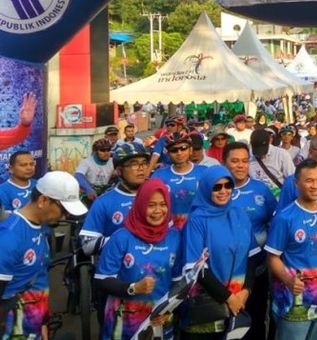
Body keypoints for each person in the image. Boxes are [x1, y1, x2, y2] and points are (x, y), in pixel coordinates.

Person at [266, 159, 317, 340]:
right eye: (309, 181)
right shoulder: (284, 218)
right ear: (297, 183)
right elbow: (272, 257)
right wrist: (288, 280)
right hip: (292, 308)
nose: (316, 186)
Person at [0, 171, 87, 339]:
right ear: (43, 200)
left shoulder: (40, 229)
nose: (65, 216)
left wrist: (43, 323)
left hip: (34, 323)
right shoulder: (9, 238)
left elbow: (38, 278)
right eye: (63, 209)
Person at [181, 166, 262, 339]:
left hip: (240, 301)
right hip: (209, 307)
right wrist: (228, 298)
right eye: (216, 187)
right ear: (205, 189)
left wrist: (246, 290)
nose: (223, 191)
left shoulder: (239, 214)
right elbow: (195, 267)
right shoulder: (197, 221)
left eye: (228, 186)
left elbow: (253, 255)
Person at [94, 179, 181, 340]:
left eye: (163, 204)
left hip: (159, 321)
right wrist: (134, 288)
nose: (158, 210)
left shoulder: (174, 237)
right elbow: (102, 280)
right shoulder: (121, 237)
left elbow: (179, 282)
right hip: (124, 324)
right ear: (140, 205)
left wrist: (168, 310)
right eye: (151, 205)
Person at [224, 141, 278, 340]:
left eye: (245, 161)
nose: (240, 165)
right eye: (235, 161)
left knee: (255, 320)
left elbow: (276, 222)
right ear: (224, 163)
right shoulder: (218, 190)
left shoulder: (261, 189)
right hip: (225, 277)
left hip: (258, 271)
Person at [80, 142, 151, 256]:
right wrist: (126, 238)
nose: (141, 168)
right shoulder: (103, 202)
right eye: (134, 164)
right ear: (118, 170)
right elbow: (88, 246)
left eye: (144, 163)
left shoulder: (158, 196)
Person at [151, 131, 205, 230]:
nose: (179, 153)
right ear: (168, 153)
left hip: (198, 228)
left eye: (183, 148)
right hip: (168, 230)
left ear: (190, 150)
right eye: (174, 150)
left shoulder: (205, 172)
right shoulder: (158, 175)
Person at [249, 129, 295, 199]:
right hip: (257, 199)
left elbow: (291, 178)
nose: (260, 155)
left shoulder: (282, 154)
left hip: (279, 199)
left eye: (263, 150)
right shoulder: (248, 156)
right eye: (257, 150)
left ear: (269, 141)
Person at [74, 138, 116, 202]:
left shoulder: (113, 161)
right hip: (89, 190)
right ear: (96, 152)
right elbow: (78, 175)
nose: (106, 152)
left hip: (106, 190)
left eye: (108, 150)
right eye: (102, 150)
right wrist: (88, 189)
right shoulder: (87, 161)